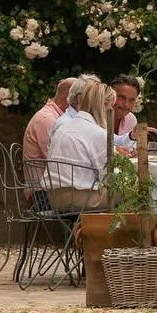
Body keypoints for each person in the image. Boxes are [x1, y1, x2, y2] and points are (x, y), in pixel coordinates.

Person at [45, 77, 111, 212]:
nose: (111, 110)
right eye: (110, 106)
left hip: (53, 198)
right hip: (79, 199)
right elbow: (109, 177)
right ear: (102, 105)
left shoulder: (65, 126)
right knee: (136, 189)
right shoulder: (97, 133)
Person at [22, 77, 77, 198]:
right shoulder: (47, 119)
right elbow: (58, 161)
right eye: (81, 99)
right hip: (41, 194)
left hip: (53, 188)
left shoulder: (56, 117)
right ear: (68, 98)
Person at [111, 74, 141, 144]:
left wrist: (135, 152)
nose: (126, 104)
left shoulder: (131, 119)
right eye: (122, 97)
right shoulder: (95, 117)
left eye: (131, 100)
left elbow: (132, 148)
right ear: (110, 95)